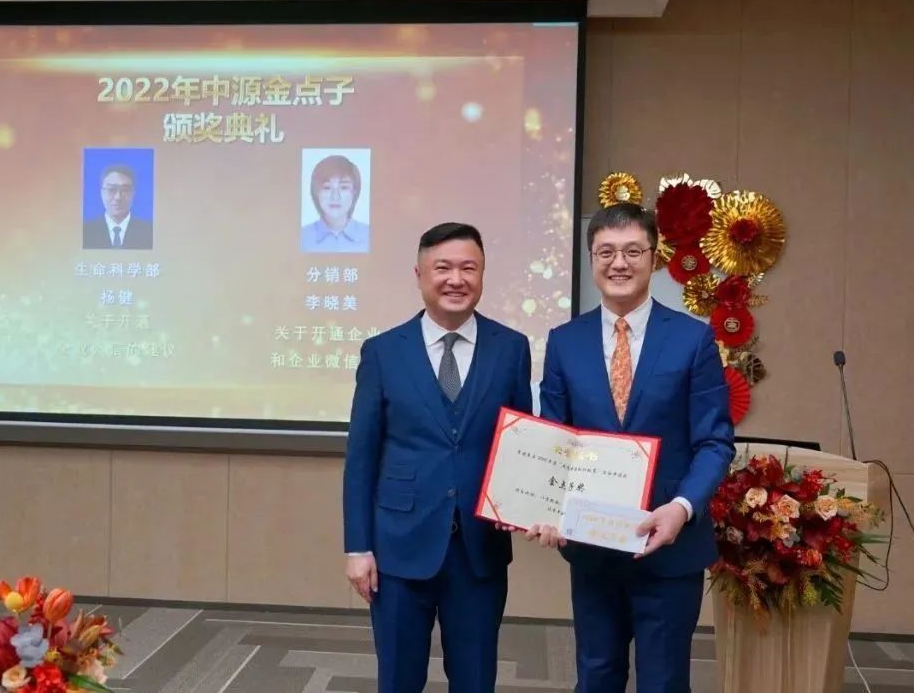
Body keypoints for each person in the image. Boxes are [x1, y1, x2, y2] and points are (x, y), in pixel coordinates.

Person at [527, 202, 735, 693]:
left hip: (670, 546)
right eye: (606, 252)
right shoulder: (565, 341)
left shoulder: (693, 339)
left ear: (653, 258)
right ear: (591, 260)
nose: (618, 263)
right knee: (596, 674)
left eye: (632, 251)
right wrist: (544, 506)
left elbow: (714, 441)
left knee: (664, 681)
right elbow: (553, 438)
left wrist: (681, 509)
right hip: (592, 548)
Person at [342, 222, 532, 693]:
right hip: (398, 547)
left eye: (469, 268)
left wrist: (529, 504)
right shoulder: (383, 352)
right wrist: (358, 547)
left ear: (483, 274)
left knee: (475, 679)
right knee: (399, 679)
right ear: (419, 275)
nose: (456, 279)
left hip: (479, 550)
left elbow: (522, 443)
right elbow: (362, 457)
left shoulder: (511, 348)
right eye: (443, 268)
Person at [300, 154, 370, 253]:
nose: (335, 196)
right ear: (316, 192)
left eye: (344, 187)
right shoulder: (302, 237)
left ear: (354, 192)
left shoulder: (370, 235)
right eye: (327, 188)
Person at [83, 163, 153, 249]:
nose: (118, 197)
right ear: (101, 193)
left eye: (125, 190)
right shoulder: (85, 231)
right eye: (111, 189)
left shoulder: (150, 232)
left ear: (133, 193)